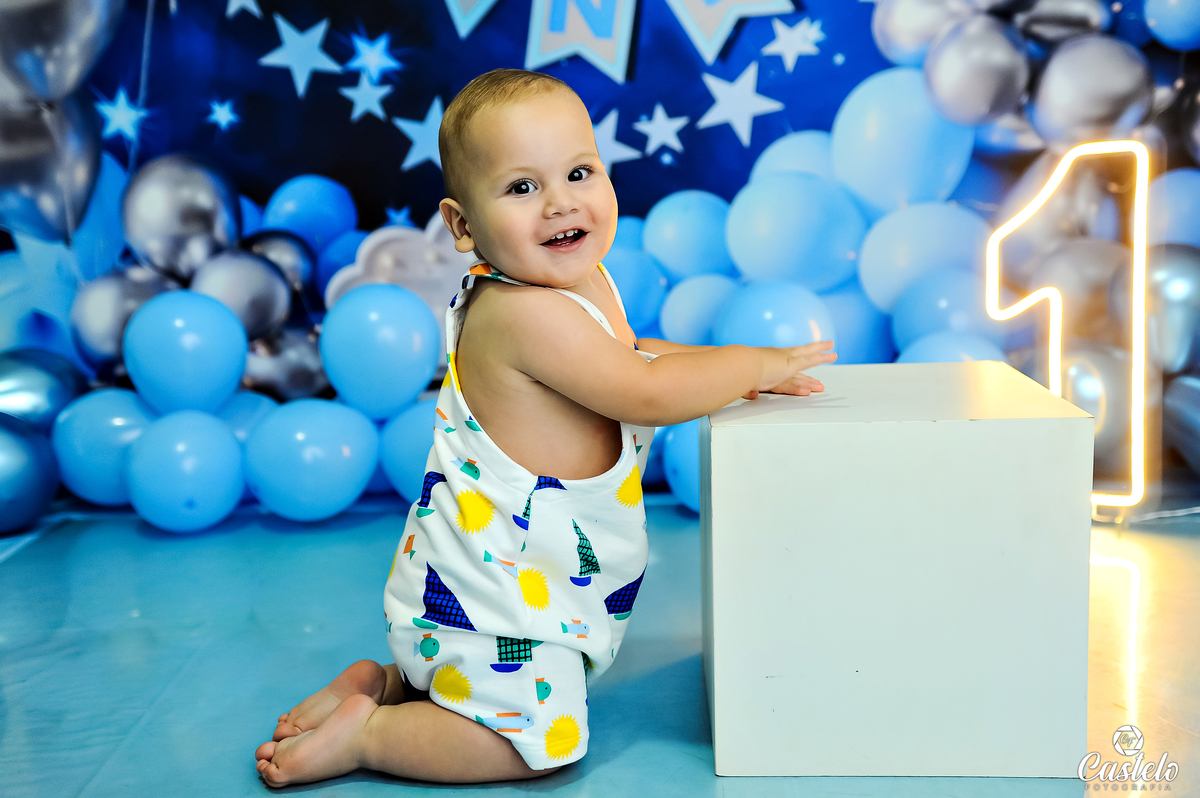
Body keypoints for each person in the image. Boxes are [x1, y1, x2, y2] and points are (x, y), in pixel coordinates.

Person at [253, 68, 835, 788]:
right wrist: (754, 359)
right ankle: (370, 735)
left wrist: (729, 372)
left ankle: (389, 685)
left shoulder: (578, 284)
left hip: (514, 589)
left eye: (579, 173)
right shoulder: (519, 313)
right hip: (492, 602)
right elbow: (645, 389)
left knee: (497, 694)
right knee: (536, 745)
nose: (561, 202)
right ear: (463, 226)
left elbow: (630, 354)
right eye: (522, 187)